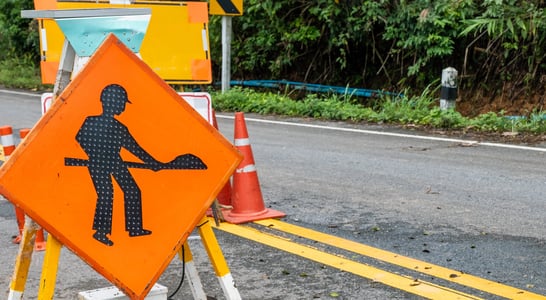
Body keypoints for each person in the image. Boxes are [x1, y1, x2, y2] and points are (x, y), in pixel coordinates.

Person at [73, 84, 160, 246]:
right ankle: (101, 232)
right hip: (98, 163)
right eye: (121, 103)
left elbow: (135, 149)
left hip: (115, 160)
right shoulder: (91, 121)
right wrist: (94, 154)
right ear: (111, 102)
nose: (122, 107)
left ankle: (134, 228)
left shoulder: (120, 128)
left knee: (132, 190)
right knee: (106, 192)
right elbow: (80, 138)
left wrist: (153, 163)